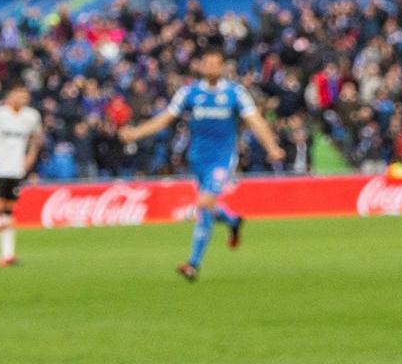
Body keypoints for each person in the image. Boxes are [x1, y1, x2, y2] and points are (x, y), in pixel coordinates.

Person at [118, 45, 284, 281]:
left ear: (223, 67)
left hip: (222, 158)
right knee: (206, 207)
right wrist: (136, 133)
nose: (211, 67)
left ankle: (193, 263)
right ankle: (233, 220)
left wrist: (272, 147)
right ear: (201, 66)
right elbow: (165, 119)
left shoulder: (235, 93)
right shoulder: (189, 93)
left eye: (216, 63)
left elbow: (255, 120)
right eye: (207, 63)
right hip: (197, 159)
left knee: (205, 202)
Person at [0, 82, 45, 267]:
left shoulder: (31, 116)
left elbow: (37, 138)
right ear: (9, 95)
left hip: (15, 170)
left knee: (9, 212)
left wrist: (30, 158)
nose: (23, 98)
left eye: (25, 95)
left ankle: (8, 255)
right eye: (19, 94)